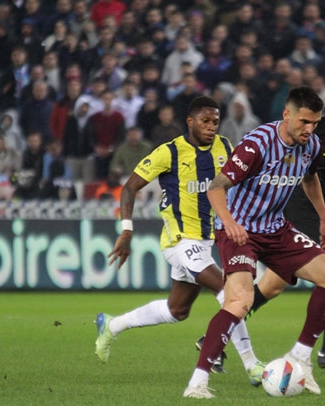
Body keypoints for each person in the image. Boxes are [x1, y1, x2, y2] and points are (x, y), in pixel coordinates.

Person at [184, 86, 325, 398]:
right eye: (303, 122)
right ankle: (197, 383)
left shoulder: (310, 145)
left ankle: (300, 356)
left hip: (276, 229)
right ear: (287, 114)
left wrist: (323, 219)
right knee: (239, 301)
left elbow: (310, 179)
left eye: (314, 123)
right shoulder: (256, 145)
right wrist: (230, 224)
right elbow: (216, 188)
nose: (309, 129)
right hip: (240, 231)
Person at [95, 96, 264, 383]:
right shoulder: (169, 152)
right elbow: (129, 187)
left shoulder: (225, 147)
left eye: (215, 122)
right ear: (190, 121)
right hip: (179, 241)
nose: (211, 127)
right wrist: (127, 230)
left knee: (177, 310)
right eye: (205, 121)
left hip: (208, 240)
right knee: (231, 293)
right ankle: (253, 366)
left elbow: (242, 182)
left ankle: (112, 325)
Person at [229, 81, 325, 370]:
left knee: (271, 286)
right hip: (298, 203)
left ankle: (223, 331)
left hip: (320, 207)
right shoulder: (314, 129)